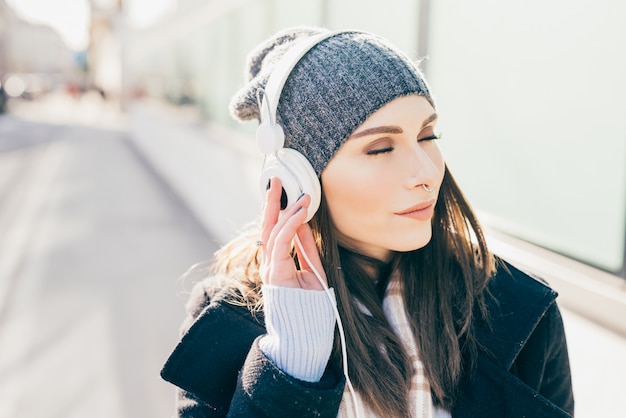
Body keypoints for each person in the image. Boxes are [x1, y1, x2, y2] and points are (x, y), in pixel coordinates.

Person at [161, 26, 574, 418]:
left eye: (428, 136)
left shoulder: (515, 309)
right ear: (298, 176)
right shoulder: (234, 318)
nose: (426, 172)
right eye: (380, 148)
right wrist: (291, 363)